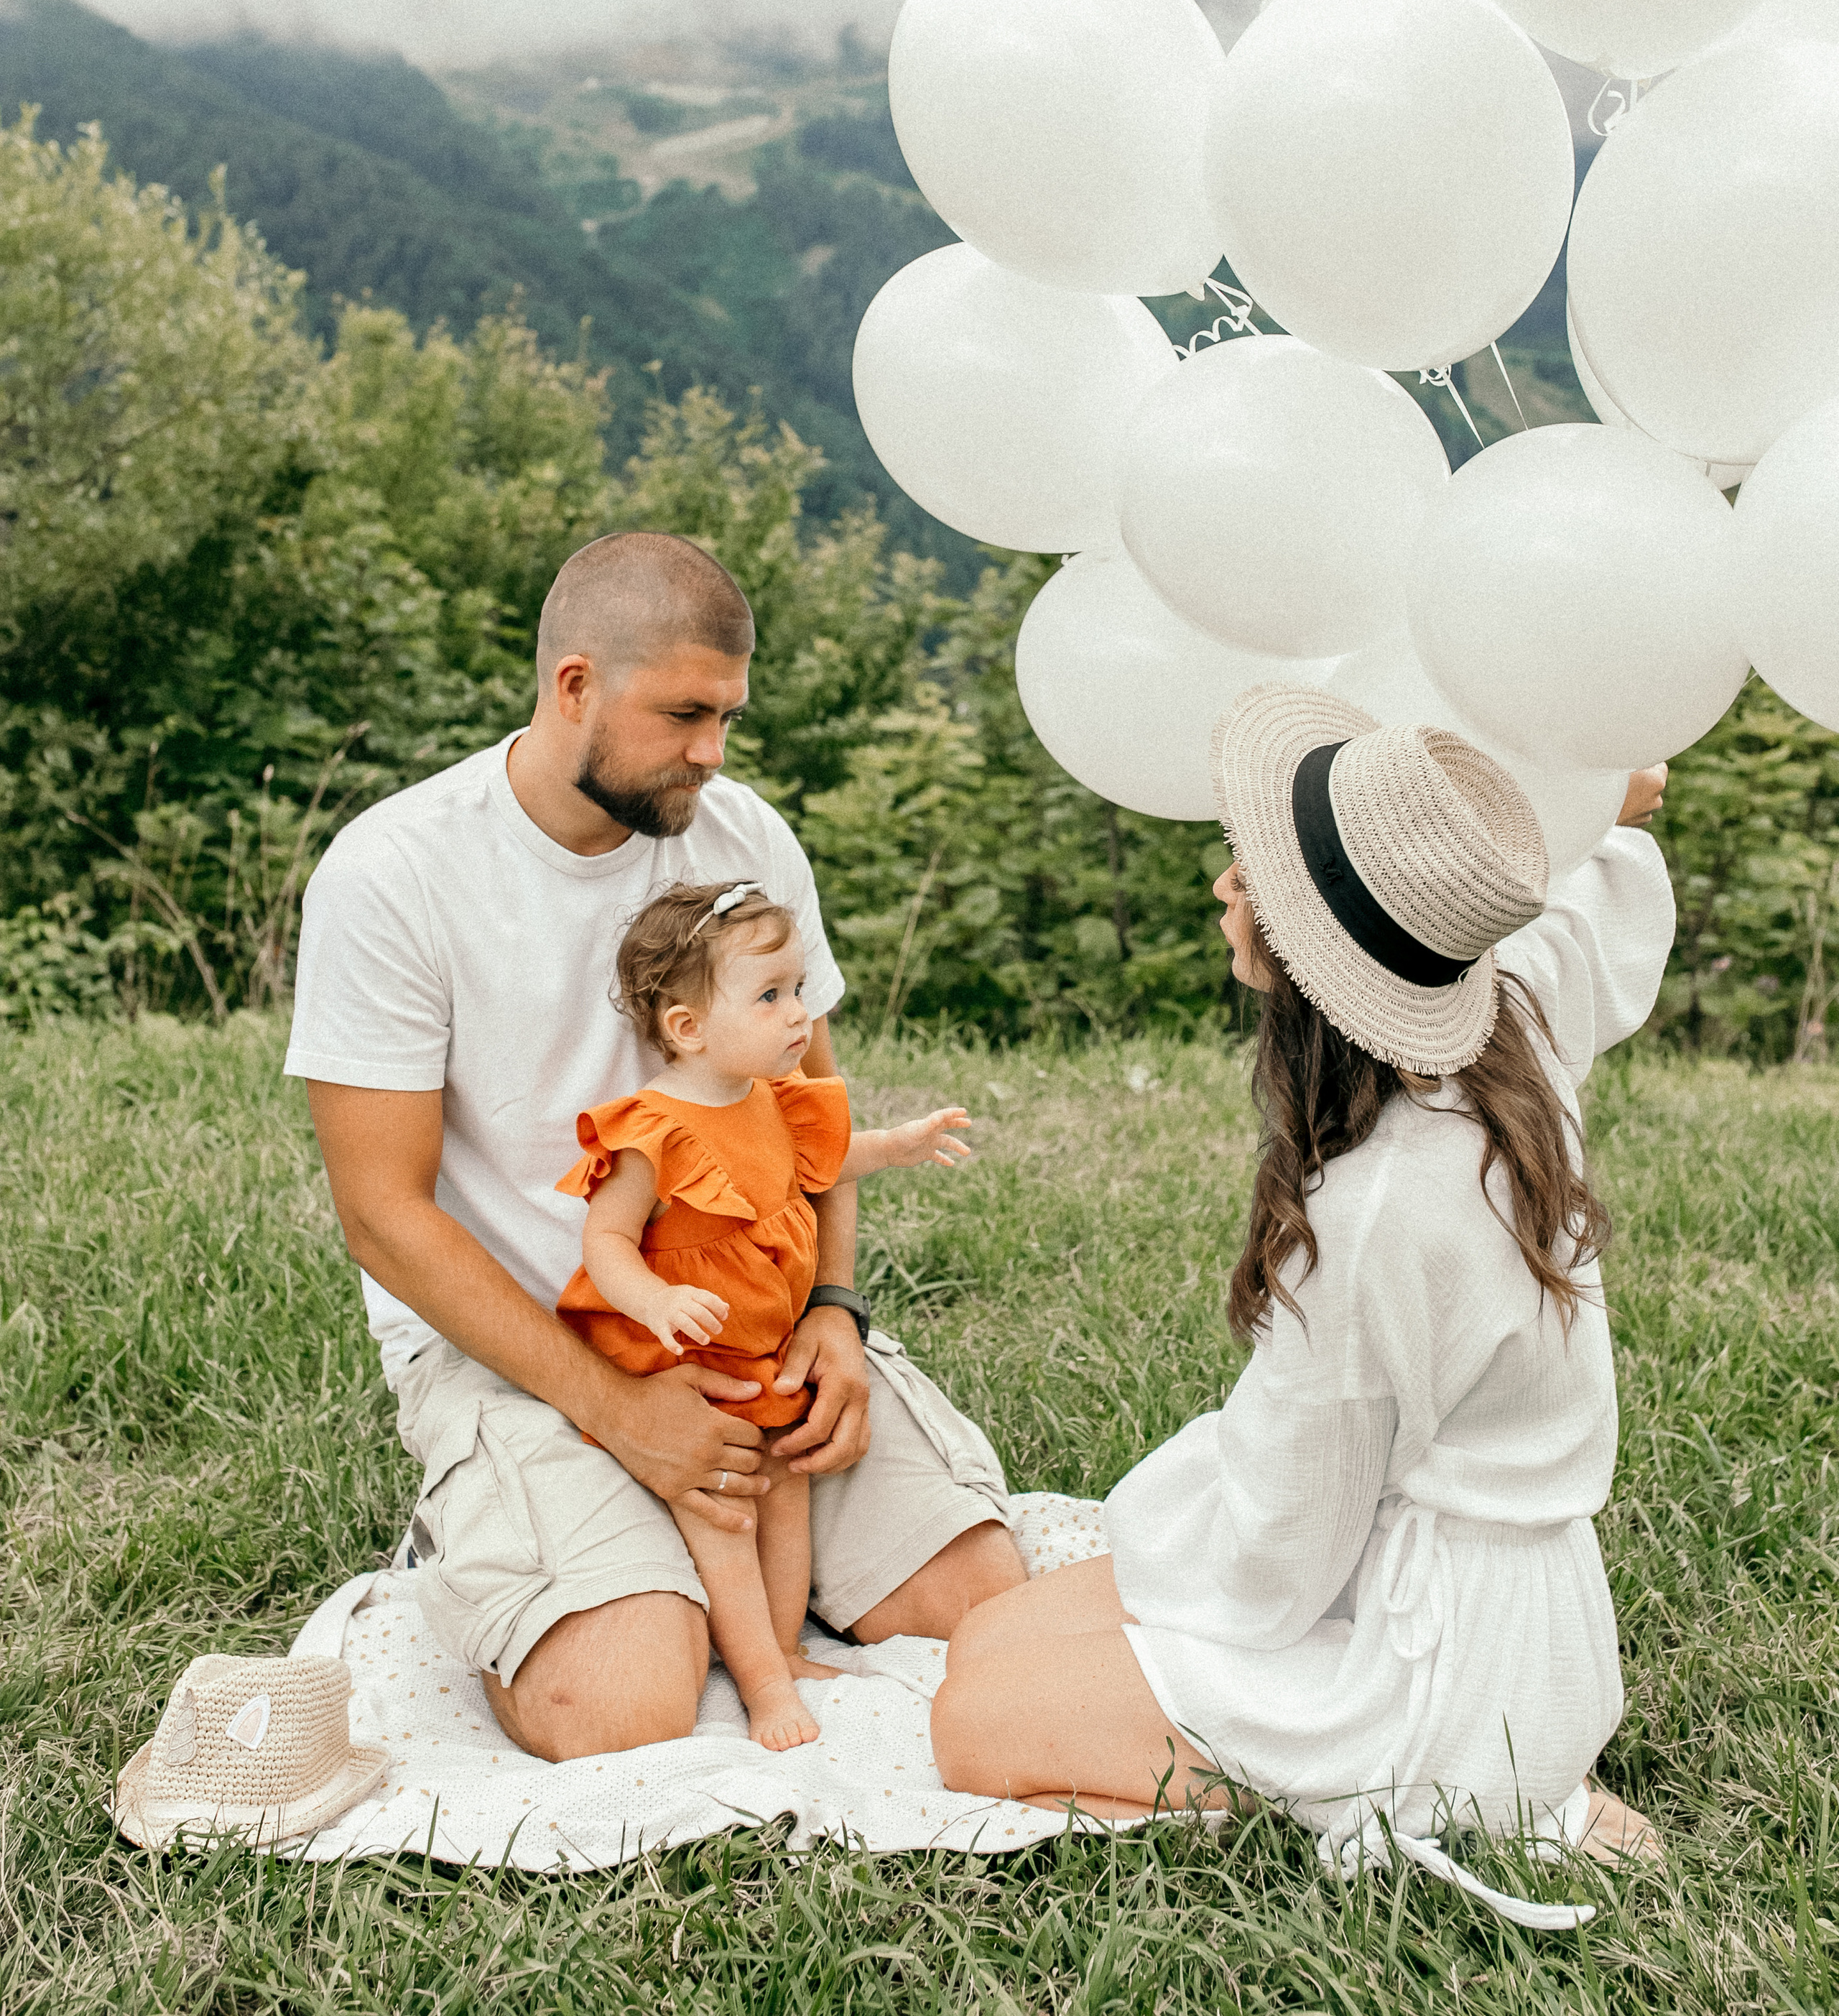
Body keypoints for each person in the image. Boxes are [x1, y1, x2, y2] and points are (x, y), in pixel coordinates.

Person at [289, 530, 1024, 1763]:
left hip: (751, 1327)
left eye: (730, 716)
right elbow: (384, 1217)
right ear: (572, 684)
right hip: (523, 1344)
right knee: (619, 1709)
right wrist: (618, 1410)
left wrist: (834, 1312)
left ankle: (721, 1561)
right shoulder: (395, 873)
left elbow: (814, 1117)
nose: (713, 753)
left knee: (985, 1606)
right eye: (684, 713)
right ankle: (521, 1524)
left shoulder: (745, 842)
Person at [933, 685, 1674, 1892]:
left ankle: (1498, 1792)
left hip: (1442, 1664)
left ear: (1309, 949)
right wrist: (1624, 797)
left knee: (978, 1714)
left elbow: (1281, 1557)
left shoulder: (1377, 1206)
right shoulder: (1509, 1007)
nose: (1226, 883)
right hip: (1494, 1591)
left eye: (1252, 874)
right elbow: (1597, 888)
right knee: (992, 1633)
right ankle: (1500, 1767)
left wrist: (1157, 1576)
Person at [555, 877, 972, 1749]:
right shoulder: (650, 1130)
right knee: (726, 1513)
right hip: (684, 1367)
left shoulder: (768, 1103)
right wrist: (657, 1301)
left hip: (764, 1355)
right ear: (688, 1028)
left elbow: (826, 1165)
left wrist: (899, 1145)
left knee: (787, 1492)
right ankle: (762, 1686)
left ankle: (783, 1647)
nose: (799, 1016)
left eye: (799, 991)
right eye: (772, 996)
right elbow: (607, 1245)